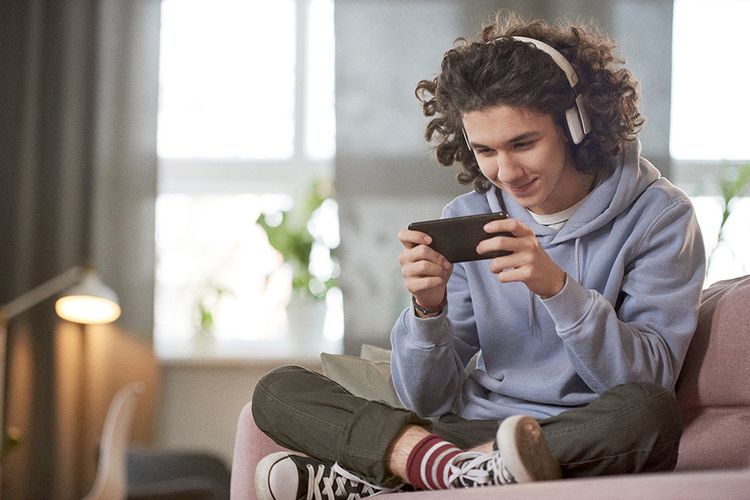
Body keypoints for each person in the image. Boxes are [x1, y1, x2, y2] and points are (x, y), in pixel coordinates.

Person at [251, 11, 706, 500]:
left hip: (577, 433)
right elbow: (429, 399)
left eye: (523, 143)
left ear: (578, 124)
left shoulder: (659, 217)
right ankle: (458, 471)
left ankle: (401, 471)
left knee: (649, 414)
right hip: (470, 433)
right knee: (276, 390)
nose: (506, 171)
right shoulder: (471, 217)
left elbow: (648, 378)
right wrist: (427, 311)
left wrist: (558, 290)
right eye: (485, 150)